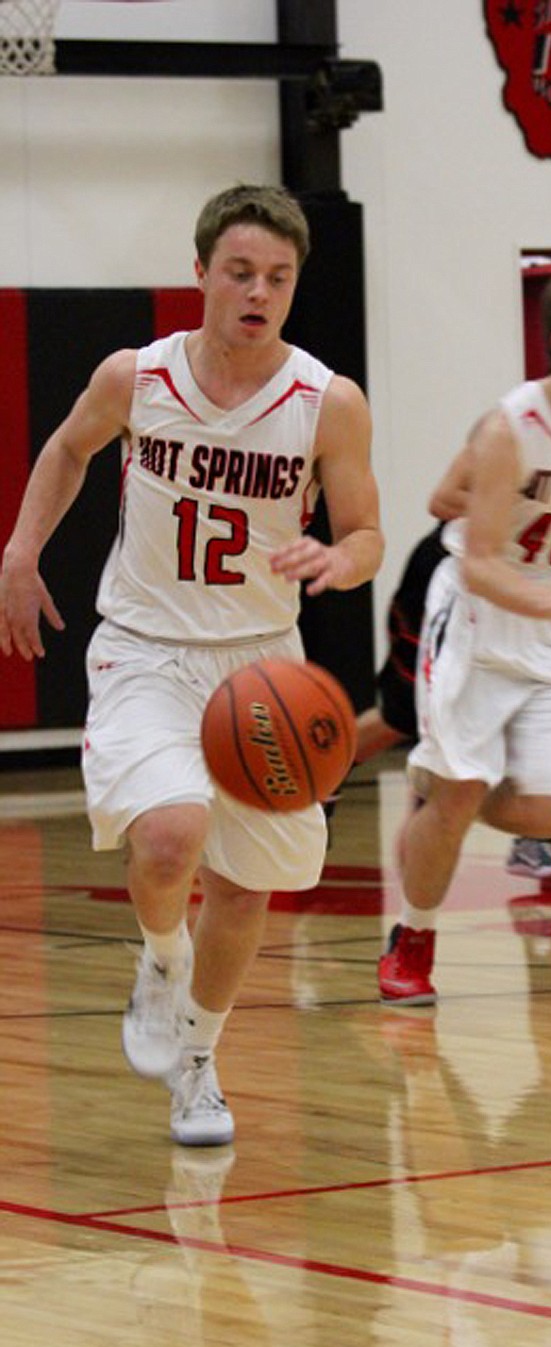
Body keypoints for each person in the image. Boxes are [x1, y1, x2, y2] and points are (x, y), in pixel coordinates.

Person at [0, 184, 383, 1143]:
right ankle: (161, 960)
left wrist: (342, 559)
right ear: (202, 273)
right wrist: (19, 552)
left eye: (279, 278)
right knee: (170, 839)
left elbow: (369, 530)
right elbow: (65, 450)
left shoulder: (327, 402)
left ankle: (200, 1062)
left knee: (249, 885)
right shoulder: (137, 377)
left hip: (261, 661)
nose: (259, 292)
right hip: (146, 648)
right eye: (242, 272)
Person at [377, 266, 551, 1003]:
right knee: (462, 788)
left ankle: (442, 787)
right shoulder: (510, 429)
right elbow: (476, 565)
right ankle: (413, 939)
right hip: (483, 620)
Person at [355, 443, 551, 881]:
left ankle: (531, 838)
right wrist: (510, 514)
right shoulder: (513, 429)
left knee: (533, 700)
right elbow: (441, 500)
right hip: (448, 575)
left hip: (523, 582)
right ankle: (315, 782)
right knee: (404, 718)